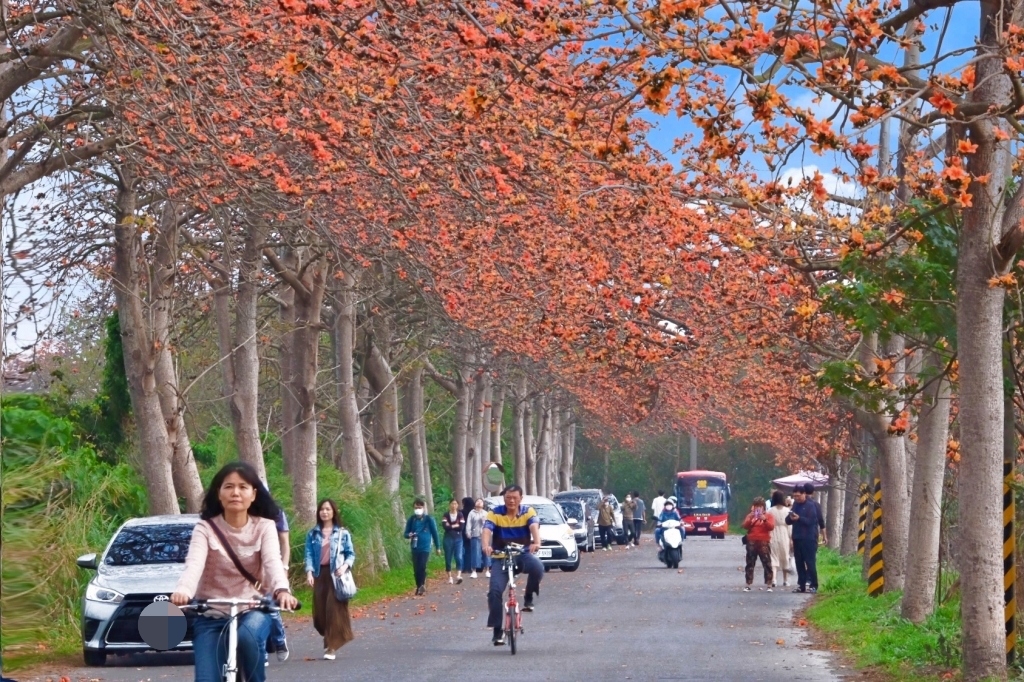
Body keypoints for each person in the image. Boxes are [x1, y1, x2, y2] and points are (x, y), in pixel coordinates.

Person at [170, 462, 298, 682]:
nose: (235, 492)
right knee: (206, 679)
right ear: (219, 494)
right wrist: (183, 591)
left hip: (252, 609)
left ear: (253, 494)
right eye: (228, 486)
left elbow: (272, 562)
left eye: (243, 487)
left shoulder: (265, 527)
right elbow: (194, 564)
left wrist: (282, 590)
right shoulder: (205, 528)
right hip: (211, 614)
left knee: (248, 637)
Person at [482, 485, 544, 646]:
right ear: (504, 498)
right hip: (500, 557)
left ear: (521, 499)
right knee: (494, 591)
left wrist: (536, 542)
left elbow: (534, 526)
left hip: (521, 554)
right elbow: (487, 530)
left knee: (537, 567)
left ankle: (529, 597)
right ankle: (497, 631)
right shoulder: (495, 512)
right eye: (508, 497)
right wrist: (486, 545)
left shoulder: (527, 511)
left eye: (515, 497)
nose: (511, 500)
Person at [303, 499, 355, 660]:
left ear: (333, 512)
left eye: (328, 509)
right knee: (320, 614)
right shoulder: (313, 534)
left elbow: (350, 554)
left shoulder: (342, 533)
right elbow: (309, 555)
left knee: (333, 610)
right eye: (322, 509)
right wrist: (309, 573)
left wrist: (345, 567)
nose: (324, 512)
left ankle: (331, 647)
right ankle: (330, 636)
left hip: (336, 575)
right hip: (320, 575)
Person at [786, 483, 827, 593]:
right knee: (799, 562)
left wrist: (799, 518)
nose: (796, 498)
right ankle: (801, 585)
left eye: (798, 496)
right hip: (797, 537)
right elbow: (787, 521)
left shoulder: (811, 505)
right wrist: (791, 518)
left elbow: (812, 521)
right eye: (794, 496)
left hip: (809, 538)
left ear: (804, 494)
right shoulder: (795, 505)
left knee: (810, 562)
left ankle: (813, 584)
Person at [404, 498, 441, 595]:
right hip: (415, 546)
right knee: (416, 569)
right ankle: (418, 586)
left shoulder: (429, 519)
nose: (418, 509)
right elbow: (405, 533)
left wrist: (438, 547)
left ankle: (422, 585)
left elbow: (435, 533)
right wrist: (409, 535)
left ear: (423, 508)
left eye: (419, 507)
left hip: (425, 547)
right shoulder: (412, 519)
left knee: (422, 566)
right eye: (416, 507)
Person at [741, 496, 775, 592]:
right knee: (750, 563)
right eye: (756, 506)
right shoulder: (750, 515)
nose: (758, 508)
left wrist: (764, 519)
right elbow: (745, 526)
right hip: (752, 541)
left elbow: (771, 527)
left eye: (760, 506)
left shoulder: (768, 516)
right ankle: (748, 583)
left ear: (763, 507)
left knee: (767, 563)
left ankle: (769, 584)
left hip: (764, 541)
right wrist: (750, 519)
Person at [766, 491, 793, 587]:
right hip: (784, 534)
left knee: (773, 556)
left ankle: (774, 579)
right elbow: (789, 526)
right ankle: (786, 580)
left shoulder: (770, 511)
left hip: (773, 534)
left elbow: (767, 525)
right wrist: (791, 538)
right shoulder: (787, 511)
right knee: (785, 556)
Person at [441, 499, 465, 585]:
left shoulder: (460, 514)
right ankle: (450, 577)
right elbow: (445, 526)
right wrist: (455, 525)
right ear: (449, 505)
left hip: (458, 538)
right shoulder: (446, 514)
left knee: (459, 556)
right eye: (452, 503)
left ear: (457, 505)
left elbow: (461, 527)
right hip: (448, 538)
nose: (454, 505)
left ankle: (459, 575)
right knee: (448, 558)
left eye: (455, 503)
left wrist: (450, 525)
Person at [466, 498, 491, 579]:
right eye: (478, 501)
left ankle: (487, 570)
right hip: (475, 535)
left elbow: (489, 524)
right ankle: (474, 571)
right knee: (475, 553)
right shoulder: (471, 513)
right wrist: (468, 532)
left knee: (486, 552)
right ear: (475, 503)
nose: (479, 503)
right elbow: (468, 523)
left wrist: (484, 521)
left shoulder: (486, 513)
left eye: (481, 502)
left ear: (483, 504)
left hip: (485, 536)